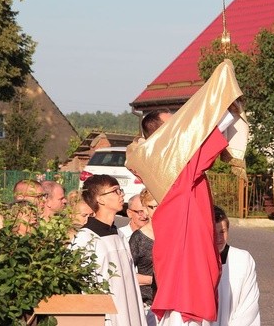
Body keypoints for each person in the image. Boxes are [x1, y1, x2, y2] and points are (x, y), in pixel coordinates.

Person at [126, 60, 248, 325]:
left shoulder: (169, 162)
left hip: (185, 261)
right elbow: (203, 144)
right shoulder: (169, 165)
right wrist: (223, 95)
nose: (181, 129)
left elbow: (199, 141)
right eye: (174, 126)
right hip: (185, 268)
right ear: (160, 135)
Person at [72, 174, 146, 326]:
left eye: (120, 190)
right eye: (115, 191)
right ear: (100, 199)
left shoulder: (118, 234)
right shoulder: (86, 239)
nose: (121, 195)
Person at [211, 206, 260, 326]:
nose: (219, 238)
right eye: (214, 232)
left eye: (222, 232)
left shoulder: (242, 260)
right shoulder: (197, 262)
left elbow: (249, 306)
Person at [129, 188, 158, 325]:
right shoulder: (138, 238)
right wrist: (153, 279)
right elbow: (127, 274)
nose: (158, 210)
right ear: (145, 209)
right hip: (148, 304)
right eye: (153, 207)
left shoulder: (175, 234)